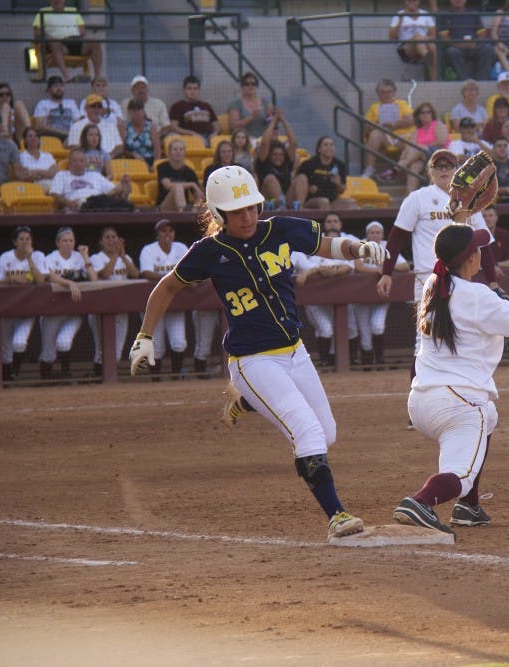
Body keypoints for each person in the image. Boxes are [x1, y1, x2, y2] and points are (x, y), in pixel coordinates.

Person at [128, 165, 387, 539]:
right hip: (253, 360)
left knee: (327, 433)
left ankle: (246, 401)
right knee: (308, 432)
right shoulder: (208, 251)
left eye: (252, 207)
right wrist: (145, 336)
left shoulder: (278, 229)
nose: (248, 216)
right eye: (237, 211)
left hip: (294, 352)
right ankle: (337, 516)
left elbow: (328, 244)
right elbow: (166, 288)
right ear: (219, 214)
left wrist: (357, 248)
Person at [392, 224, 509, 534]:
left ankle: (468, 506)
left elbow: (469, 296)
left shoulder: (433, 284)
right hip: (459, 405)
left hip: (421, 402)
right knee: (460, 473)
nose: (483, 253)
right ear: (469, 259)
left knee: (489, 416)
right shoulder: (476, 295)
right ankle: (421, 501)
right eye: (477, 249)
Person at [376, 150, 501, 371]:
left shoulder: (467, 200)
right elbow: (396, 238)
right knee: (424, 338)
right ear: (430, 171)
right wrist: (387, 272)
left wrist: (493, 282)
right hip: (429, 278)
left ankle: (452, 385)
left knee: (459, 335)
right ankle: (418, 391)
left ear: (456, 170)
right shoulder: (418, 198)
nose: (443, 170)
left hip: (462, 279)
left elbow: (484, 243)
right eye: (438, 166)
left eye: (448, 166)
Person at [295, 212, 361, 368]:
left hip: (344, 295)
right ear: (324, 225)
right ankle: (326, 361)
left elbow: (349, 267)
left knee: (351, 327)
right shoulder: (317, 241)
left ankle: (351, 359)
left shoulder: (349, 239)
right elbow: (311, 266)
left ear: (340, 224)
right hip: (317, 297)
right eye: (329, 221)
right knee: (325, 329)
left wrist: (332, 270)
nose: (332, 224)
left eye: (335, 221)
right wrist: (323, 270)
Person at [39, 226, 96, 381]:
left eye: (71, 240)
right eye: (64, 240)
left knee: (64, 342)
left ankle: (65, 375)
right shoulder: (50, 257)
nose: (68, 243)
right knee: (48, 353)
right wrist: (70, 283)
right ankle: (46, 380)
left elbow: (94, 280)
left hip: (73, 312)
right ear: (58, 243)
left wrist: (85, 256)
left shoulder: (79, 257)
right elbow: (49, 277)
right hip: (52, 311)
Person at [353, 221, 410, 367]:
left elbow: (405, 266)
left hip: (381, 295)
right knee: (365, 336)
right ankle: (367, 365)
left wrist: (388, 267)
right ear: (366, 234)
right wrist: (378, 270)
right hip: (361, 296)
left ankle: (379, 359)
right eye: (371, 232)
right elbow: (358, 267)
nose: (374, 235)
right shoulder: (361, 245)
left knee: (377, 326)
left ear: (382, 234)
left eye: (377, 232)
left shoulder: (387, 246)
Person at [0, 226, 48, 382]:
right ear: (14, 242)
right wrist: (10, 280)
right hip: (7, 309)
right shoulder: (5, 257)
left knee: (19, 343)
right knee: (5, 351)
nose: (25, 242)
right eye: (21, 239)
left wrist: (29, 258)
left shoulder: (38, 256)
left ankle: (14, 374)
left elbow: (40, 280)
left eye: (28, 239)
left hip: (27, 310)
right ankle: (7, 378)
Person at [138, 219, 190, 378]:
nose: (167, 234)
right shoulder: (148, 250)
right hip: (155, 303)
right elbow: (146, 272)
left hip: (176, 303)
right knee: (157, 346)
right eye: (163, 231)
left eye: (170, 230)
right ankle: (156, 381)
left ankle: (175, 377)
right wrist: (173, 278)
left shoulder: (181, 248)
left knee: (179, 342)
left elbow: (190, 271)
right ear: (157, 234)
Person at [88, 226, 139, 377]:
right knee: (101, 348)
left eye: (114, 237)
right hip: (100, 309)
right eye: (107, 238)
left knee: (117, 351)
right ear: (101, 242)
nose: (111, 240)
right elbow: (105, 274)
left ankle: (109, 380)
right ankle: (99, 380)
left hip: (121, 308)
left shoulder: (125, 258)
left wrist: (122, 256)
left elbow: (136, 274)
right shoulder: (96, 258)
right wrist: (116, 255)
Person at [32, 0, 103, 82]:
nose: (57, 1)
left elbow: (82, 31)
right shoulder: (43, 12)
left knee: (94, 41)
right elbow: (36, 32)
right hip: (58, 44)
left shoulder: (73, 11)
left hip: (76, 40)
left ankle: (97, 77)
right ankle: (67, 77)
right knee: (54, 42)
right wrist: (47, 35)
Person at [361, 79, 415, 181]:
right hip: (385, 137)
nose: (386, 94)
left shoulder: (401, 104)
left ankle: (404, 172)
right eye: (383, 92)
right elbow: (367, 125)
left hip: (402, 138)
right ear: (378, 93)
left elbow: (411, 120)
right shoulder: (374, 107)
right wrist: (380, 126)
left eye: (389, 91)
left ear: (394, 92)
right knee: (375, 134)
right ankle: (370, 169)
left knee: (411, 140)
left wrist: (393, 125)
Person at [49, 147, 132, 212]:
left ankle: (123, 193)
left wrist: (119, 190)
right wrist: (68, 203)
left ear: (86, 163)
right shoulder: (62, 175)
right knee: (90, 202)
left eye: (81, 161)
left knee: (127, 205)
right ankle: (117, 192)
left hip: (101, 203)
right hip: (79, 203)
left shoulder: (95, 175)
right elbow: (54, 194)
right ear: (69, 163)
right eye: (75, 161)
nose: (78, 163)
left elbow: (112, 189)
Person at [398, 102, 450, 193]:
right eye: (422, 113)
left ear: (432, 114)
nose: (426, 115)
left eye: (428, 112)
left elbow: (441, 141)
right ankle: (411, 197)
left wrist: (423, 146)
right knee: (414, 167)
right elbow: (410, 147)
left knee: (419, 148)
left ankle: (400, 166)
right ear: (418, 116)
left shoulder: (438, 125)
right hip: (422, 157)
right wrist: (404, 154)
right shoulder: (417, 131)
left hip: (439, 154)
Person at [294, 136, 355, 210]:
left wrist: (338, 184)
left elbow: (342, 190)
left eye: (331, 145)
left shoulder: (339, 165)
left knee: (351, 203)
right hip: (312, 199)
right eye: (326, 145)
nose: (329, 147)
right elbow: (298, 181)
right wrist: (309, 188)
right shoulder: (309, 164)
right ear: (319, 149)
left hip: (332, 200)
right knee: (324, 202)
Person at [439, 0, 493, 81]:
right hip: (456, 48)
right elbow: (444, 38)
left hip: (474, 46)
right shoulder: (445, 15)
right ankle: (466, 82)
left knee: (487, 49)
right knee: (451, 52)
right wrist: (459, 44)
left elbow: (482, 34)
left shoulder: (473, 13)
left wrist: (475, 43)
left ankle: (482, 81)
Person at [389, 0, 438, 81]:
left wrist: (424, 38)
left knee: (432, 46)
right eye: (409, 1)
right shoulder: (399, 15)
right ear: (405, 1)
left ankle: (434, 81)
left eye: (415, 1)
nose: (412, 2)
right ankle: (426, 56)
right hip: (406, 47)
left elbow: (434, 35)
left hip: (424, 44)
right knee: (417, 36)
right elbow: (391, 37)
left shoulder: (425, 14)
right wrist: (400, 21)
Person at [169, 75, 220, 144]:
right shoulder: (177, 106)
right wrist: (191, 133)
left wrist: (214, 134)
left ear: (199, 90)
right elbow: (173, 127)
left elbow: (217, 126)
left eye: (195, 88)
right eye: (189, 88)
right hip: (191, 138)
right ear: (184, 90)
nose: (192, 91)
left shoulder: (206, 106)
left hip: (209, 137)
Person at [157, 139, 203, 212]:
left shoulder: (190, 172)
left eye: (181, 149)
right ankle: (182, 216)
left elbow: (197, 193)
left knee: (203, 202)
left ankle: (189, 215)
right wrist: (191, 184)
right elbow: (168, 186)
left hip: (185, 206)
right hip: (165, 207)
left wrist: (195, 208)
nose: (178, 152)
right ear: (169, 153)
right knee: (178, 187)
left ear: (184, 153)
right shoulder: (162, 167)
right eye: (175, 149)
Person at [227, 72, 275, 141]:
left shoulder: (265, 103)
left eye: (253, 84)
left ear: (256, 86)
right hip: (245, 140)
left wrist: (271, 117)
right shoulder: (235, 104)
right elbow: (233, 126)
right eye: (247, 84)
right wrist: (251, 116)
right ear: (242, 87)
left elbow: (268, 122)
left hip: (264, 138)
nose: (250, 86)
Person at [32, 75, 77, 141]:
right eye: (55, 86)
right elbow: (38, 126)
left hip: (70, 136)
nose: (59, 88)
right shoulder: (43, 103)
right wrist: (64, 133)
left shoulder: (71, 103)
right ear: (49, 89)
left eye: (61, 86)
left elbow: (78, 122)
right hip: (51, 136)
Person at [120, 96, 161, 166]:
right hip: (132, 162)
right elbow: (122, 149)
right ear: (129, 112)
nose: (136, 112)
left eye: (139, 109)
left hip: (150, 162)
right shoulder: (124, 127)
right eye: (133, 110)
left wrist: (155, 166)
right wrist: (132, 154)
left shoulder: (151, 127)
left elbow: (158, 150)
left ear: (143, 111)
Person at [19, 127, 59, 192]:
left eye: (36, 136)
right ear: (25, 140)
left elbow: (54, 172)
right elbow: (27, 177)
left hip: (52, 184)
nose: (34, 138)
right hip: (33, 188)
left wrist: (37, 172)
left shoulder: (47, 155)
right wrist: (46, 173)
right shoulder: (21, 157)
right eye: (30, 136)